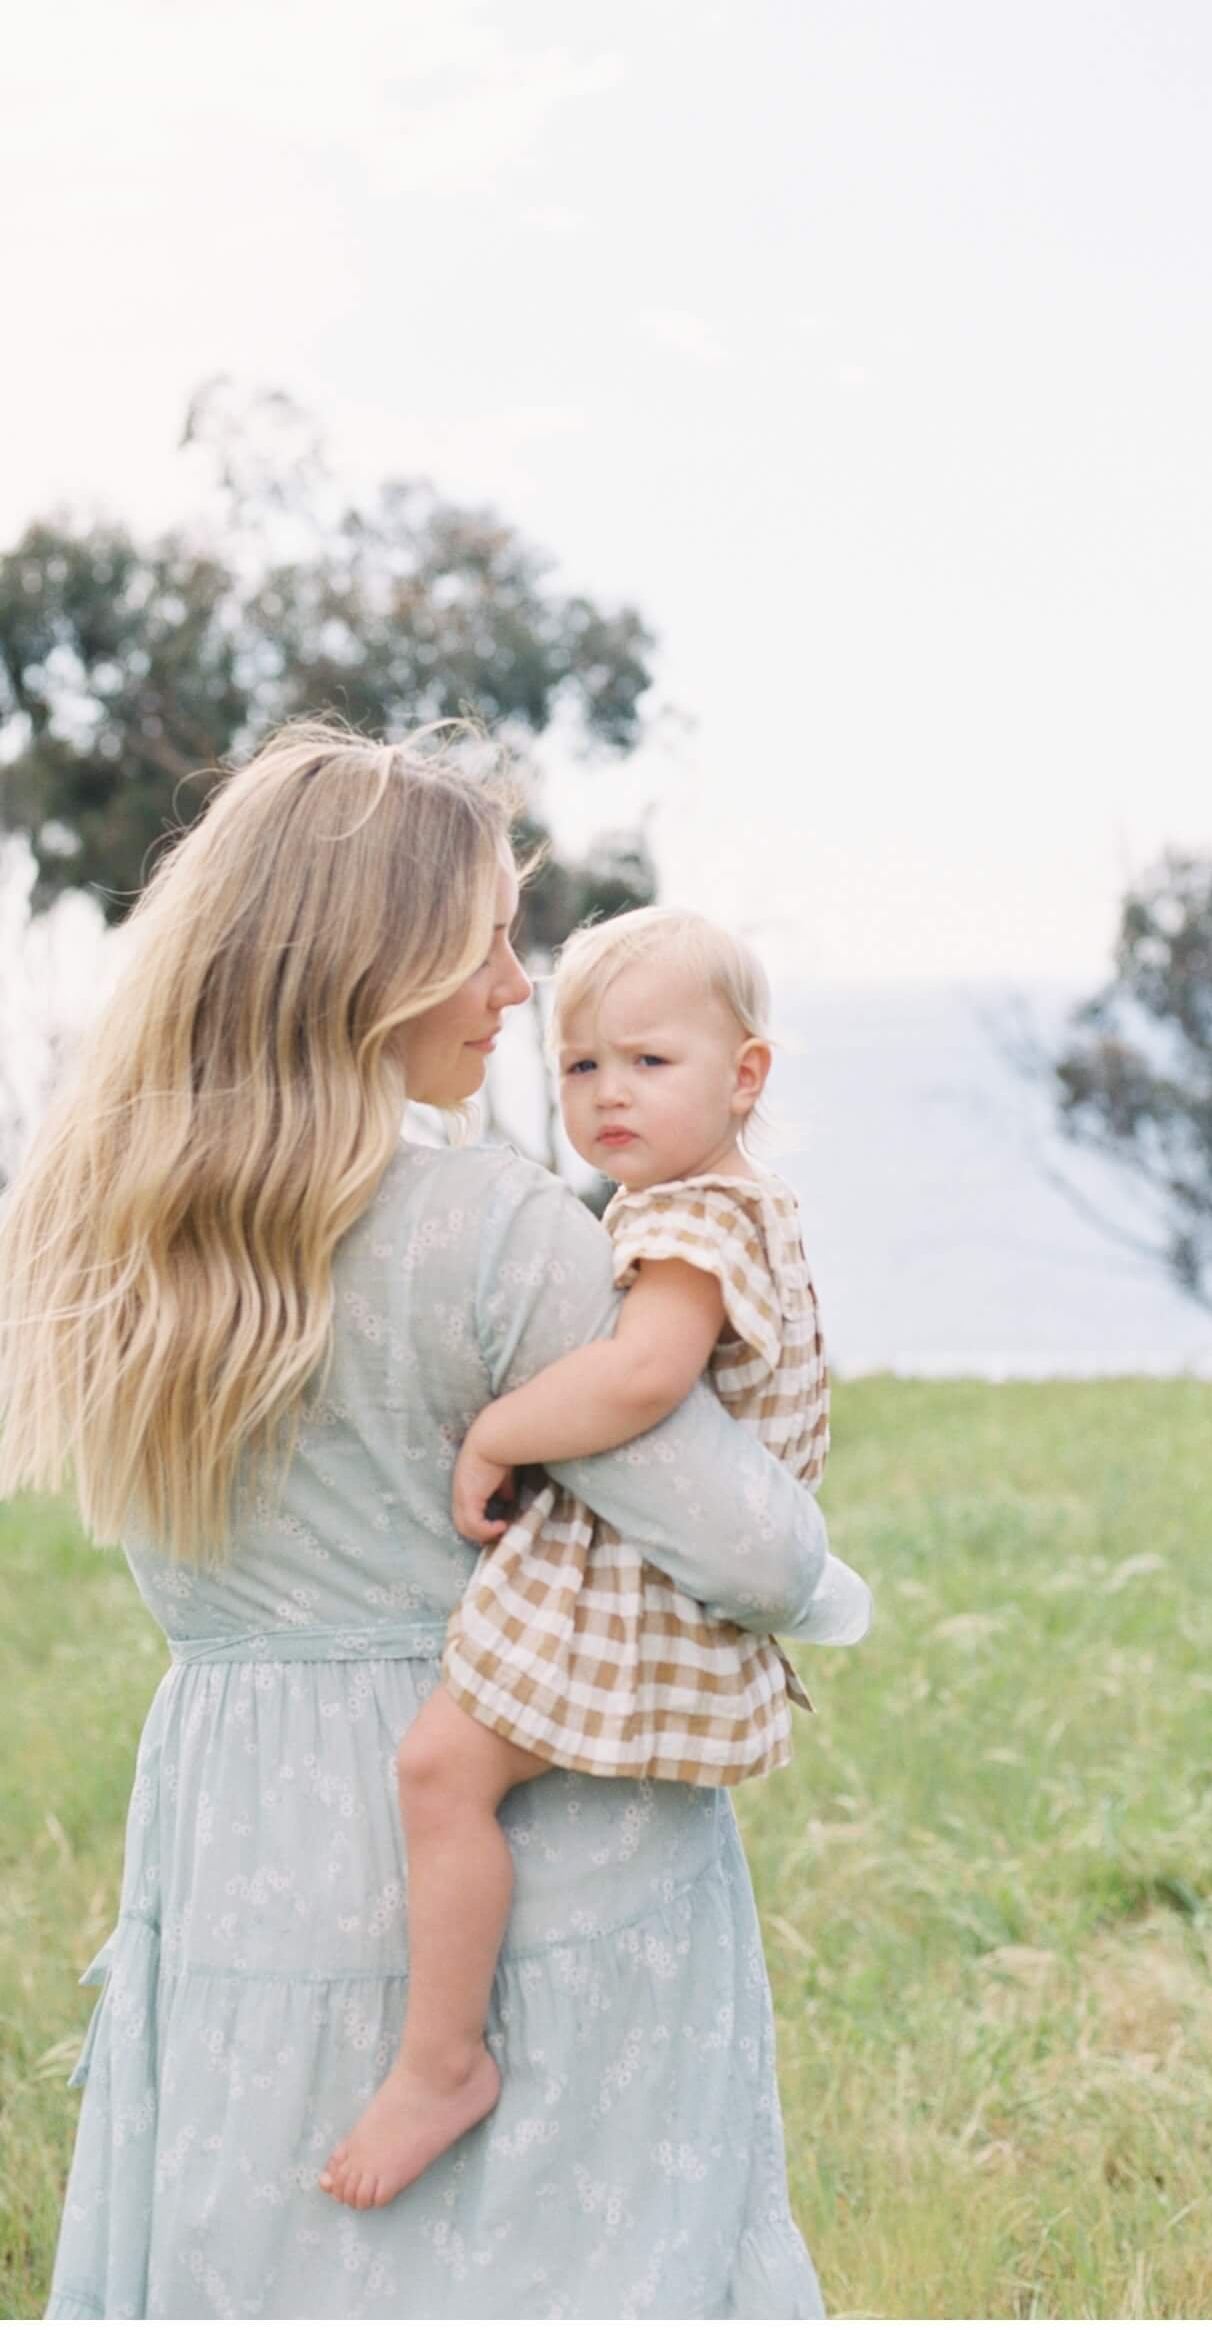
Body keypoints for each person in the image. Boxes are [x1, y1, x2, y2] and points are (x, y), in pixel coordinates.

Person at [0, 715, 872, 2320]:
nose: (522, 994)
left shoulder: (112, 1237)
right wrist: (817, 1563)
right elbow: (747, 1547)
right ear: (374, 964)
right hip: (542, 1840)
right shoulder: (493, 1231)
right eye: (486, 946)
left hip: (239, 1839)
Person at [323, 906, 859, 2212]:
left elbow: (639, 1377)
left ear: (747, 1077)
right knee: (459, 1776)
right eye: (579, 1067)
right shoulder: (691, 1200)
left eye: (650, 1063)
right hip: (641, 1569)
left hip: (642, 1587)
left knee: (440, 1770)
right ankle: (449, 2053)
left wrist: (498, 1430)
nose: (609, 1093)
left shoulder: (699, 1220)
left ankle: (442, 2062)